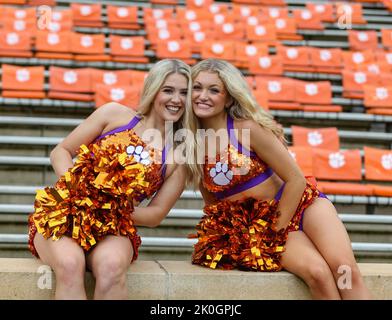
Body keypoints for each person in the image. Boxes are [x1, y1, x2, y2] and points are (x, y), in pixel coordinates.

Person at [188, 58, 371, 300]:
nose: (203, 95)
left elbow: (296, 179)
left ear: (229, 98)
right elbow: (212, 202)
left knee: (345, 269)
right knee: (317, 273)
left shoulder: (247, 128)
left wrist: (274, 233)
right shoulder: (190, 142)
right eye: (197, 88)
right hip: (256, 223)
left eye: (214, 90)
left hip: (299, 206)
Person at [28, 59, 194, 300]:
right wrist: (81, 190)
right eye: (168, 90)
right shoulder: (114, 114)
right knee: (70, 265)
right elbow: (61, 152)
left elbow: (156, 214)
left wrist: (108, 209)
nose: (176, 99)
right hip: (66, 213)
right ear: (153, 89)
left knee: (111, 268)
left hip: (115, 226)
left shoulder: (182, 152)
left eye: (184, 93)